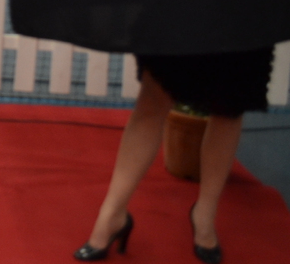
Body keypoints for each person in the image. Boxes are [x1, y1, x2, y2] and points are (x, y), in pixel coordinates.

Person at [74, 48, 274, 262]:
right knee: (154, 94)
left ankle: (205, 215)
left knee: (231, 103)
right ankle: (111, 216)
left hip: (241, 27)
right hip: (179, 25)